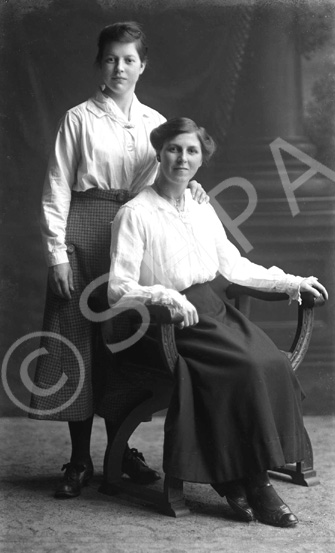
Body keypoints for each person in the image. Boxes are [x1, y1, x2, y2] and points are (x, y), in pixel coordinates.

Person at [107, 117, 328, 527]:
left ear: (201, 159)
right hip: (167, 324)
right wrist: (165, 297)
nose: (182, 158)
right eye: (174, 149)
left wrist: (290, 282)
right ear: (159, 153)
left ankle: (235, 476)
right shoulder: (135, 213)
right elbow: (118, 289)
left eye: (192, 151)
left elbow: (234, 265)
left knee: (269, 362)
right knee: (242, 368)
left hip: (215, 310)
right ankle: (256, 483)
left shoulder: (201, 206)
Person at [30, 23, 208, 499]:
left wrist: (190, 184)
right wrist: (57, 255)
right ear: (100, 63)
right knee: (78, 338)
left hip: (134, 233)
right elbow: (56, 187)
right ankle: (80, 458)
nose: (120, 68)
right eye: (111, 59)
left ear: (142, 65)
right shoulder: (79, 119)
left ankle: (120, 450)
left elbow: (173, 166)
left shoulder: (156, 120)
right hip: (85, 232)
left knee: (124, 341)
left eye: (129, 59)